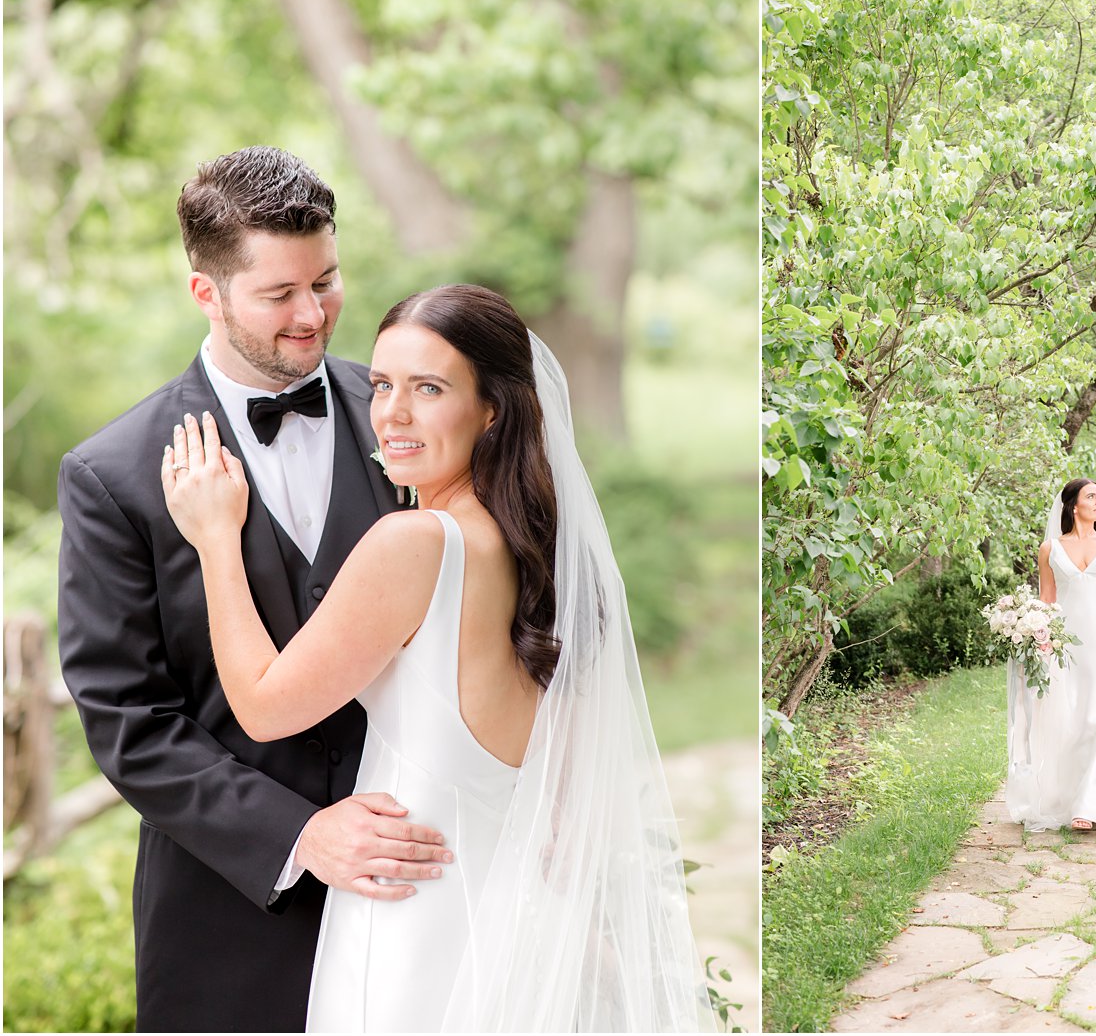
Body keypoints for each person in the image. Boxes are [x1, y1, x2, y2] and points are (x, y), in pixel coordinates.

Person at [162, 284, 713, 1032]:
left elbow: (261, 704)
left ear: (492, 409)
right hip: (518, 925)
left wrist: (216, 539)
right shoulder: (542, 559)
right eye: (383, 384)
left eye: (429, 388)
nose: (391, 412)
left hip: (413, 928)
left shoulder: (415, 544)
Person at [57, 147, 450, 1032]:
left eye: (329, 280)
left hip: (421, 885)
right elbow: (129, 722)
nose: (313, 315)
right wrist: (302, 836)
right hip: (226, 923)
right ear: (207, 292)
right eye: (279, 295)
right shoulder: (112, 475)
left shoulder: (413, 424)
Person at [1008, 478, 1096, 833]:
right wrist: (1037, 638)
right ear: (1072, 506)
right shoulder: (1050, 548)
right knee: (1068, 715)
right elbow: (1047, 600)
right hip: (1064, 642)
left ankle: (1089, 804)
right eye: (1091, 496)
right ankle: (1064, 798)